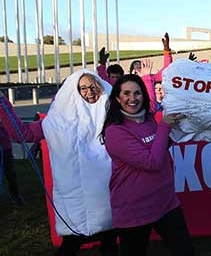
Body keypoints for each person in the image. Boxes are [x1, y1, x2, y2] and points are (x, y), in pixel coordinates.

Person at [0, 71, 117, 255]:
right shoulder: (57, 122)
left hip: (107, 198)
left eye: (93, 87)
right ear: (74, 92)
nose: (90, 92)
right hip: (76, 202)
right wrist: (2, 104)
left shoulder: (112, 116)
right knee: (71, 245)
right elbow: (22, 134)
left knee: (110, 244)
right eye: (83, 88)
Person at [101, 75, 194, 255]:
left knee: (186, 251)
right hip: (135, 210)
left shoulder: (149, 119)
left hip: (165, 202)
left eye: (137, 93)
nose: (132, 98)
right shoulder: (115, 132)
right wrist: (164, 126)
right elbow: (153, 162)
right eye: (126, 93)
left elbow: (160, 146)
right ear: (117, 98)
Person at [0, 122, 25, 205]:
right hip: (5, 147)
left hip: (6, 149)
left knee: (11, 174)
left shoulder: (4, 114)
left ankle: (15, 196)